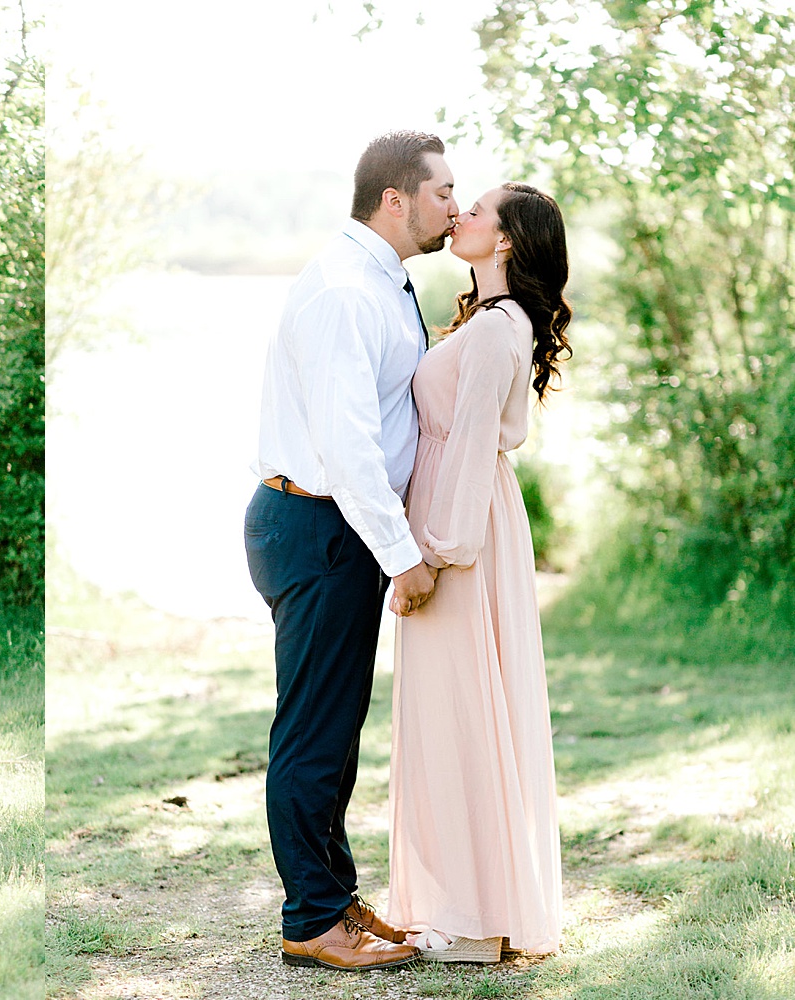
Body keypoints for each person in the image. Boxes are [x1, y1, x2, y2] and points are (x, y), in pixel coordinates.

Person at [243, 130, 458, 972]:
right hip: (317, 522)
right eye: (443, 191)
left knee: (336, 729)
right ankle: (310, 922)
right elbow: (346, 445)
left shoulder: (378, 278)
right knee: (313, 733)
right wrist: (403, 554)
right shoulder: (342, 289)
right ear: (396, 199)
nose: (454, 204)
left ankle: (334, 898)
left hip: (337, 526)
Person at [385, 183, 572, 962]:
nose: (460, 215)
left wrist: (432, 554)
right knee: (453, 712)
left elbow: (465, 449)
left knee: (460, 714)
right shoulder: (489, 321)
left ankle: (471, 921)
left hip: (460, 532)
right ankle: (469, 907)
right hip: (460, 521)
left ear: (506, 242)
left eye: (479, 211)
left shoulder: (499, 329)